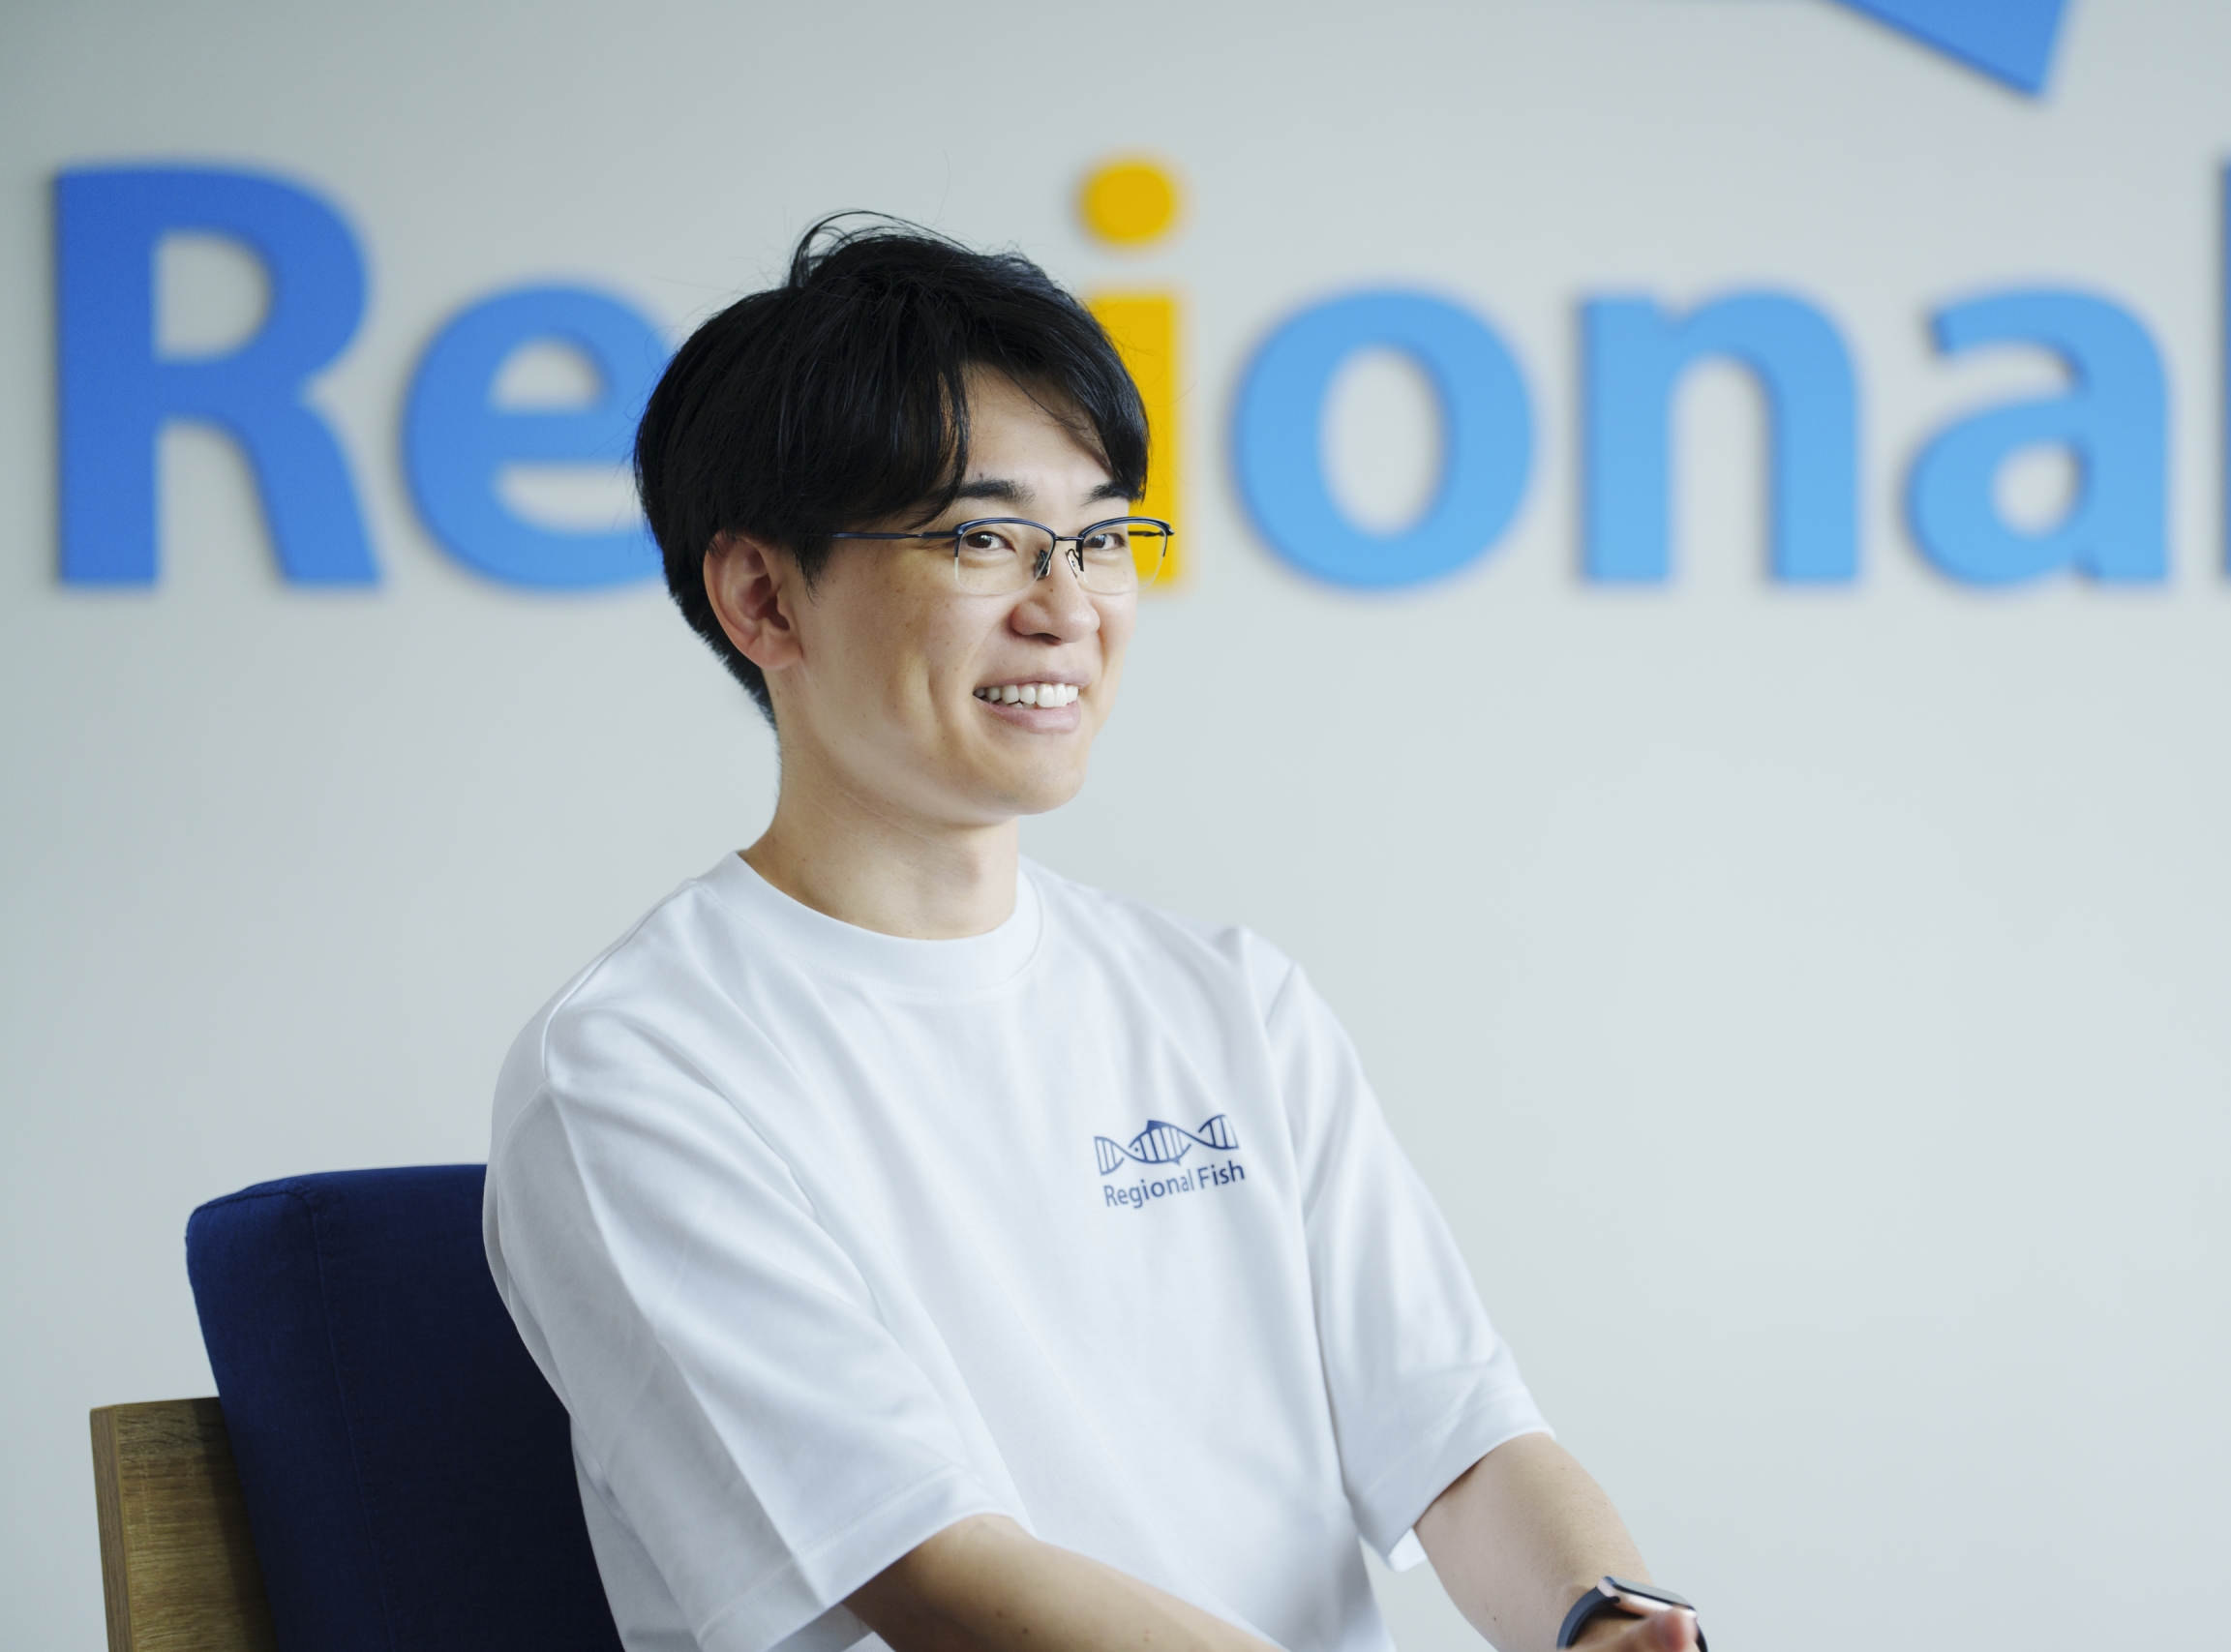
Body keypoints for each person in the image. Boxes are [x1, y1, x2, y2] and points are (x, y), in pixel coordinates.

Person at [482, 219, 1701, 1652]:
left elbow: (1461, 1443)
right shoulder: (633, 1068)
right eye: (984, 539)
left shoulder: (1230, 1000)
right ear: (763, 597)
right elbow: (944, 1578)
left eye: (1104, 537)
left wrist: (1599, 1622)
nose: (1068, 609)